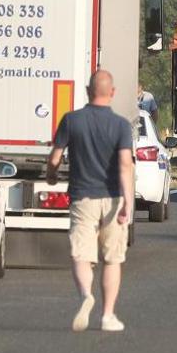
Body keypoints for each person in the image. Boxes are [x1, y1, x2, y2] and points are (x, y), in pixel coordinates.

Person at [46, 70, 135, 332]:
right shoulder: (120, 125)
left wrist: (51, 176)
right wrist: (128, 203)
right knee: (112, 258)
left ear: (88, 90)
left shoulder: (71, 120)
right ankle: (108, 316)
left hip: (82, 196)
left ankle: (86, 294)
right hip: (113, 198)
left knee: (82, 254)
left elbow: (54, 158)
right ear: (113, 92)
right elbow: (125, 165)